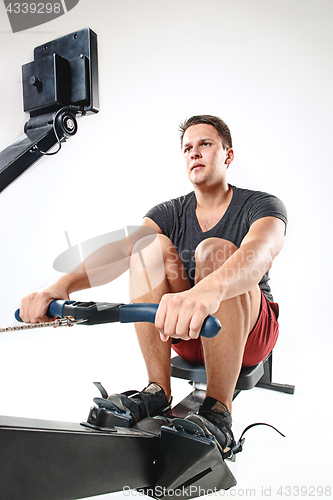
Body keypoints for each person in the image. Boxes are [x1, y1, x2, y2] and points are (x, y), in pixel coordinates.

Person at [19, 115, 287, 459]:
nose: (194, 153)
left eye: (205, 144)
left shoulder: (261, 205)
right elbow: (118, 250)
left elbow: (259, 253)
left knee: (213, 250)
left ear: (228, 155)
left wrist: (206, 292)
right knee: (146, 247)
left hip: (251, 335)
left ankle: (219, 412)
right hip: (189, 331)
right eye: (187, 148)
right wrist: (58, 287)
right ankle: (157, 390)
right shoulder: (171, 211)